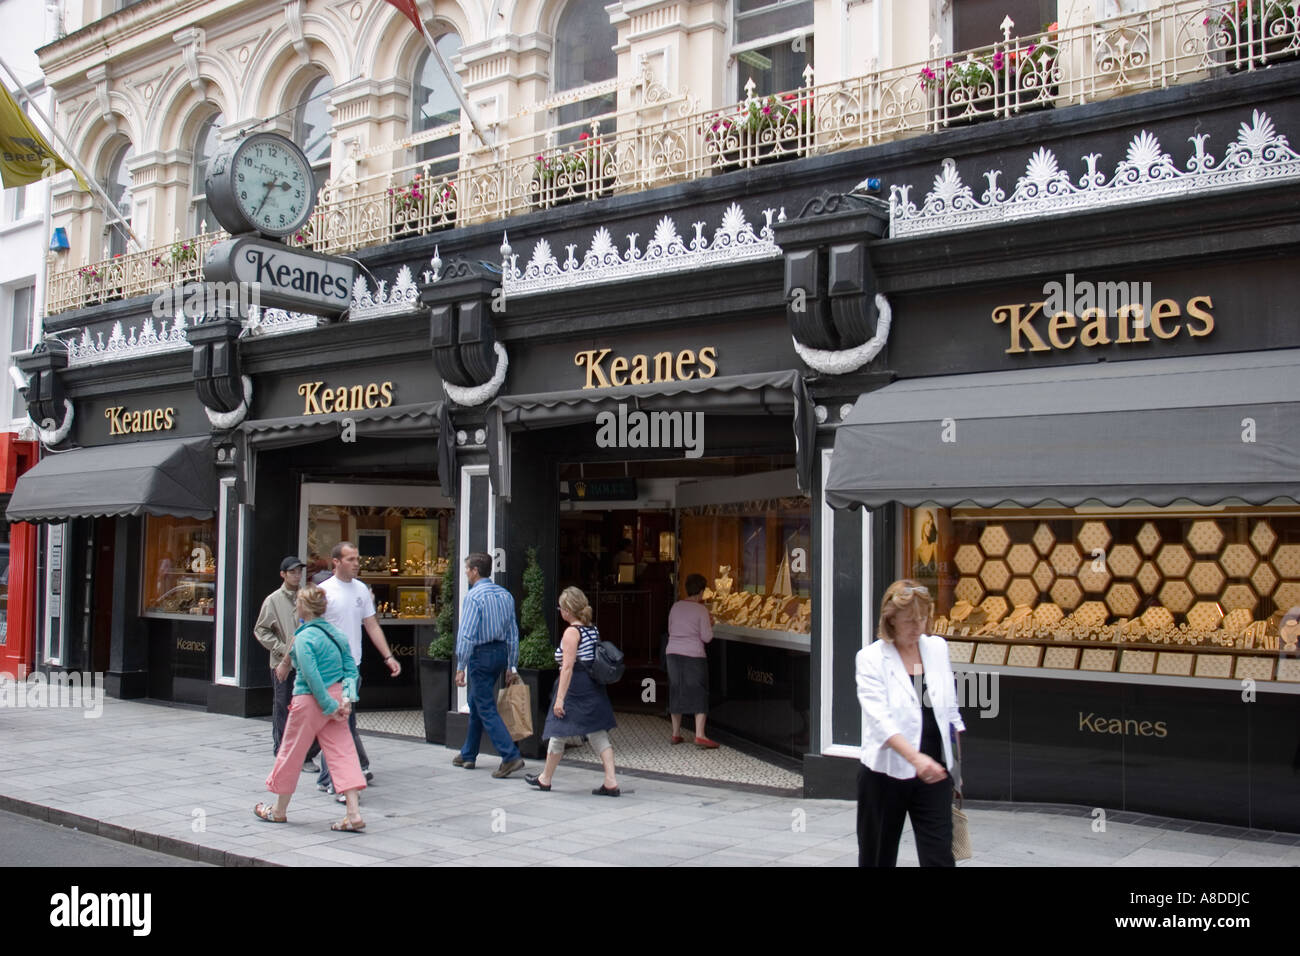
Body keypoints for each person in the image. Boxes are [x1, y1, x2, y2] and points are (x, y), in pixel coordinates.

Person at [855, 579, 965, 867]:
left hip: (934, 773)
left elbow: (950, 711)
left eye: (923, 618)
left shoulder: (937, 648)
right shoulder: (871, 658)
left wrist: (955, 768)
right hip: (885, 773)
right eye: (909, 621)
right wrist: (916, 759)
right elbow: (880, 721)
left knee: (939, 857)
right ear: (890, 620)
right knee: (878, 857)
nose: (918, 627)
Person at [253, 584, 367, 832]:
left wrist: (328, 705)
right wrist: (345, 700)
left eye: (298, 604)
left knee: (291, 752)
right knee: (343, 753)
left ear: (304, 608)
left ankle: (279, 810)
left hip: (309, 702)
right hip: (337, 698)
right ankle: (353, 813)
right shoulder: (337, 635)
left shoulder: (304, 637)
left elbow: (311, 676)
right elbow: (350, 669)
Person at [316, 541, 402, 797]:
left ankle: (327, 777)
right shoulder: (323, 592)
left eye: (357, 558)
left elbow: (371, 625)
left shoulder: (361, 590)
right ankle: (339, 781)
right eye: (351, 559)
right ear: (336, 562)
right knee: (341, 722)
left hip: (352, 666)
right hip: (329, 669)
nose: (357, 563)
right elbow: (310, 628)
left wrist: (388, 656)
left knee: (341, 722)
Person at [525, 587, 620, 795]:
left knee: (558, 731)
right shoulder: (592, 629)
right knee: (597, 732)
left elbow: (567, 667)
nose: (560, 610)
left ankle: (545, 779)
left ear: (568, 609)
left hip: (574, 687)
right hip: (593, 685)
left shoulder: (571, 632)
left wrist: (559, 699)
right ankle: (610, 781)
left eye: (561, 607)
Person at [453, 552, 525, 778]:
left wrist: (460, 665)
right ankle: (468, 753)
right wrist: (511, 664)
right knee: (476, 700)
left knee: (485, 706)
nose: (465, 572)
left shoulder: (474, 597)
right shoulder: (505, 595)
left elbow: (467, 634)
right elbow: (513, 632)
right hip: (501, 652)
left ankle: (510, 755)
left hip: (480, 655)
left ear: (475, 571)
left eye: (467, 569)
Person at [252, 555, 318, 772]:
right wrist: (282, 648)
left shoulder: (306, 597)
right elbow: (261, 630)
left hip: (306, 663)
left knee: (308, 709)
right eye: (292, 572)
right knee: (283, 706)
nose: (297, 575)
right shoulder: (273, 600)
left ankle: (305, 755)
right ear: (283, 574)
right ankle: (282, 751)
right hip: (282, 663)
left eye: (299, 571)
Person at [665, 572, 718, 749]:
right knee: (699, 692)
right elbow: (707, 637)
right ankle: (700, 735)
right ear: (701, 591)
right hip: (693, 655)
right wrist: (711, 624)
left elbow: (671, 629)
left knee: (676, 689)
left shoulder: (676, 607)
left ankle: (675, 733)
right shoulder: (701, 610)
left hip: (672, 653)